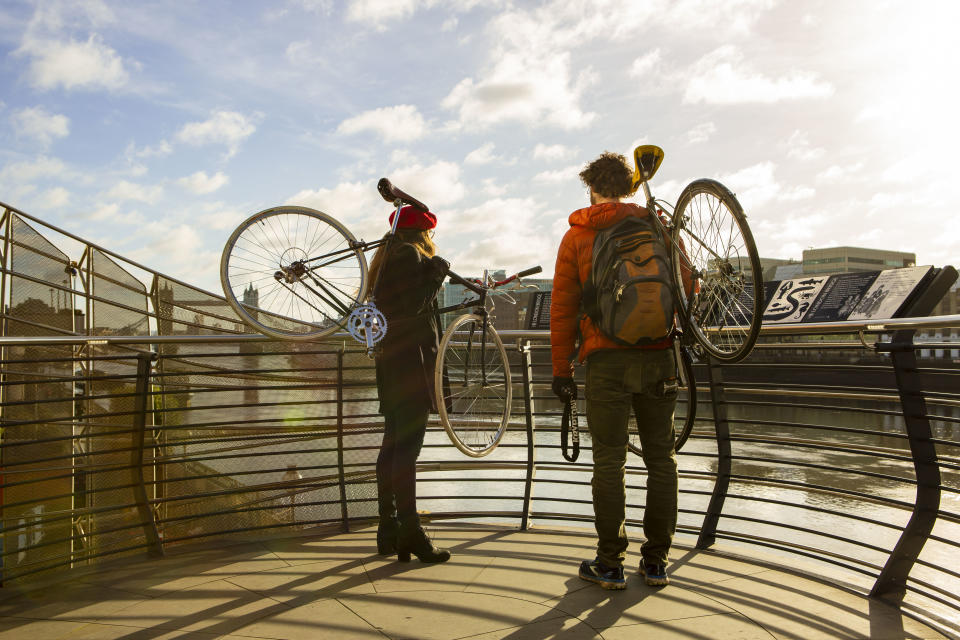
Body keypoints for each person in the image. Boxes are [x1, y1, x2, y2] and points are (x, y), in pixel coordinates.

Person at [550, 151, 686, 589]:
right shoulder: (658, 225)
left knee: (609, 462)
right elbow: (688, 284)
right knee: (662, 460)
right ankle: (657, 561)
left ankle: (610, 564)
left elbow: (563, 309)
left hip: (606, 359)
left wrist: (561, 370)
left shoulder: (578, 236)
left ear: (590, 187)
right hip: (661, 355)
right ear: (630, 186)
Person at [368, 204, 451, 564]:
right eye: (429, 235)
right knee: (407, 451)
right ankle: (411, 531)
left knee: (392, 446)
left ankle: (389, 529)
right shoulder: (408, 255)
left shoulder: (386, 257)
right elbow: (416, 305)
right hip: (412, 362)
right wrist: (436, 275)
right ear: (423, 234)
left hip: (393, 360)